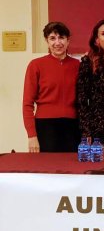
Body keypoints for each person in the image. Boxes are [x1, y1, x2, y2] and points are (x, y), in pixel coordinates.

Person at [23, 22, 80, 152]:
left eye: (61, 37)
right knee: (46, 167)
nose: (57, 42)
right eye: (52, 38)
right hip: (45, 127)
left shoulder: (78, 65)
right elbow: (27, 104)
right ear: (46, 41)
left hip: (73, 127)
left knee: (72, 168)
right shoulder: (36, 65)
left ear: (68, 40)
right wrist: (32, 135)